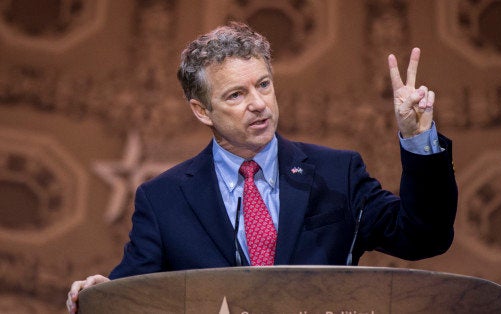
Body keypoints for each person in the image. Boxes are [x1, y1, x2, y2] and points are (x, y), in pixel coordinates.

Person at [66, 21, 457, 313]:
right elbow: (134, 291)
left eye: (264, 85)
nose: (258, 103)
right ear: (201, 110)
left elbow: (423, 236)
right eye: (237, 94)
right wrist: (103, 292)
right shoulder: (164, 198)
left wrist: (419, 140)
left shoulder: (337, 172)